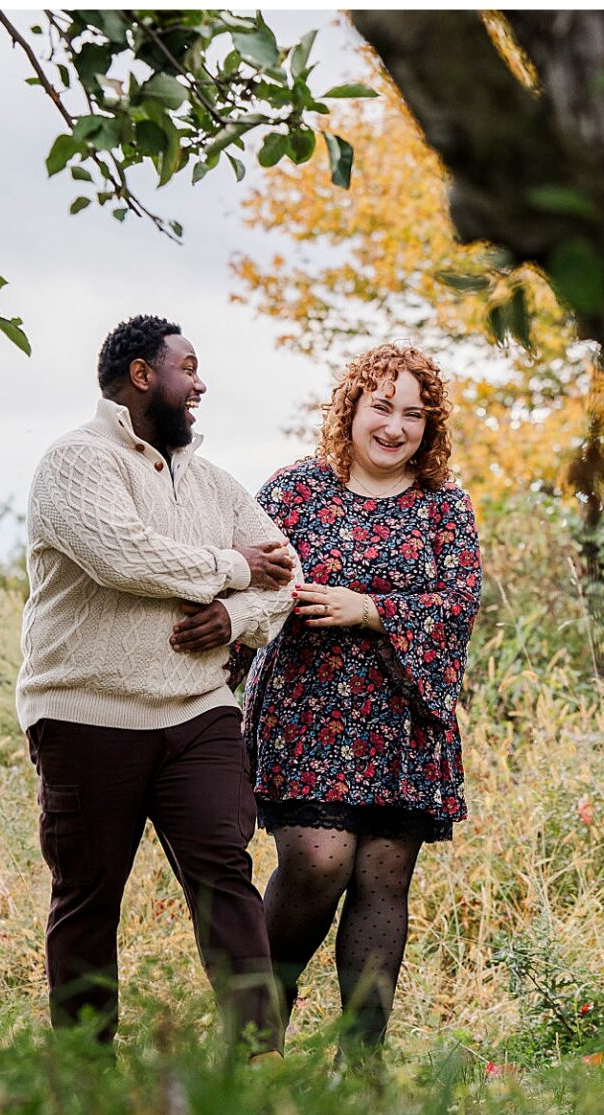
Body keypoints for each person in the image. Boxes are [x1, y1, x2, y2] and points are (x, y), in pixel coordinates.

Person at [17, 314, 298, 1048]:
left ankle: (259, 1061)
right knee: (88, 900)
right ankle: (85, 1075)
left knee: (225, 879)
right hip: (85, 714)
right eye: (188, 366)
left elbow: (286, 573)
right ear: (143, 375)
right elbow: (125, 558)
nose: (201, 382)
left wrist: (233, 618)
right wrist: (235, 570)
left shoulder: (214, 482)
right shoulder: (75, 463)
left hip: (198, 712)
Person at [240, 341, 483, 1049]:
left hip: (400, 723)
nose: (395, 426)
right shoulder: (295, 491)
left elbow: (460, 604)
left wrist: (372, 609)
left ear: (428, 428)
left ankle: (359, 1067)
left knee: (383, 880)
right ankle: (252, 1038)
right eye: (382, 406)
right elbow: (246, 591)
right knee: (318, 862)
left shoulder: (445, 509)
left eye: (414, 414)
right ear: (352, 408)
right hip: (306, 714)